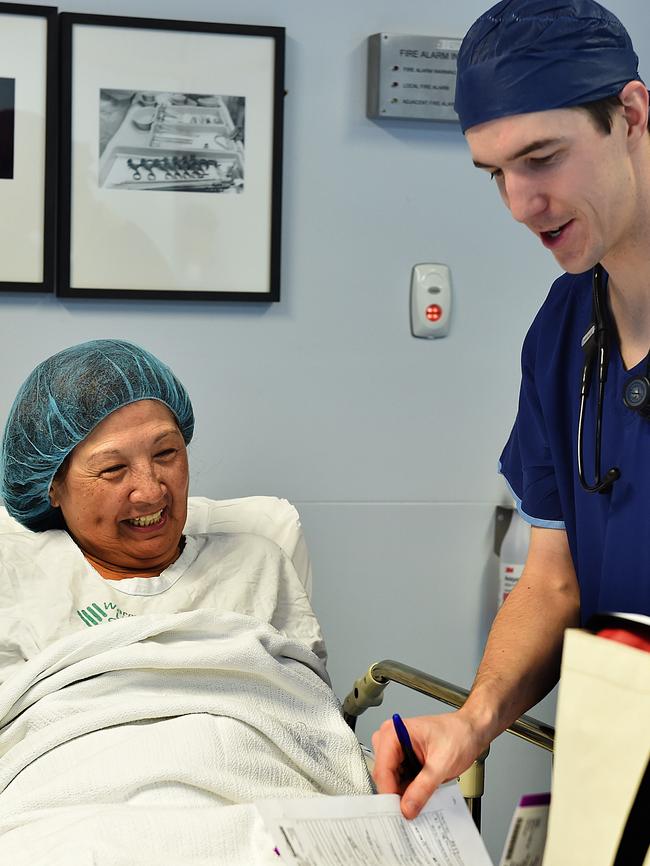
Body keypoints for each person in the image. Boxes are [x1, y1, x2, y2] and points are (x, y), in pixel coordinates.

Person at [372, 0, 650, 818]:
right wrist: (476, 719)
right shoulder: (566, 334)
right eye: (496, 172)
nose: (521, 202)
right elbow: (555, 581)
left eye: (542, 157)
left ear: (630, 114)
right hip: (618, 754)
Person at [0, 338, 324, 680]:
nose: (152, 492)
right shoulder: (16, 575)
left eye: (165, 453)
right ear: (52, 486)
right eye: (113, 469)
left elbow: (307, 706)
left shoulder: (255, 567)